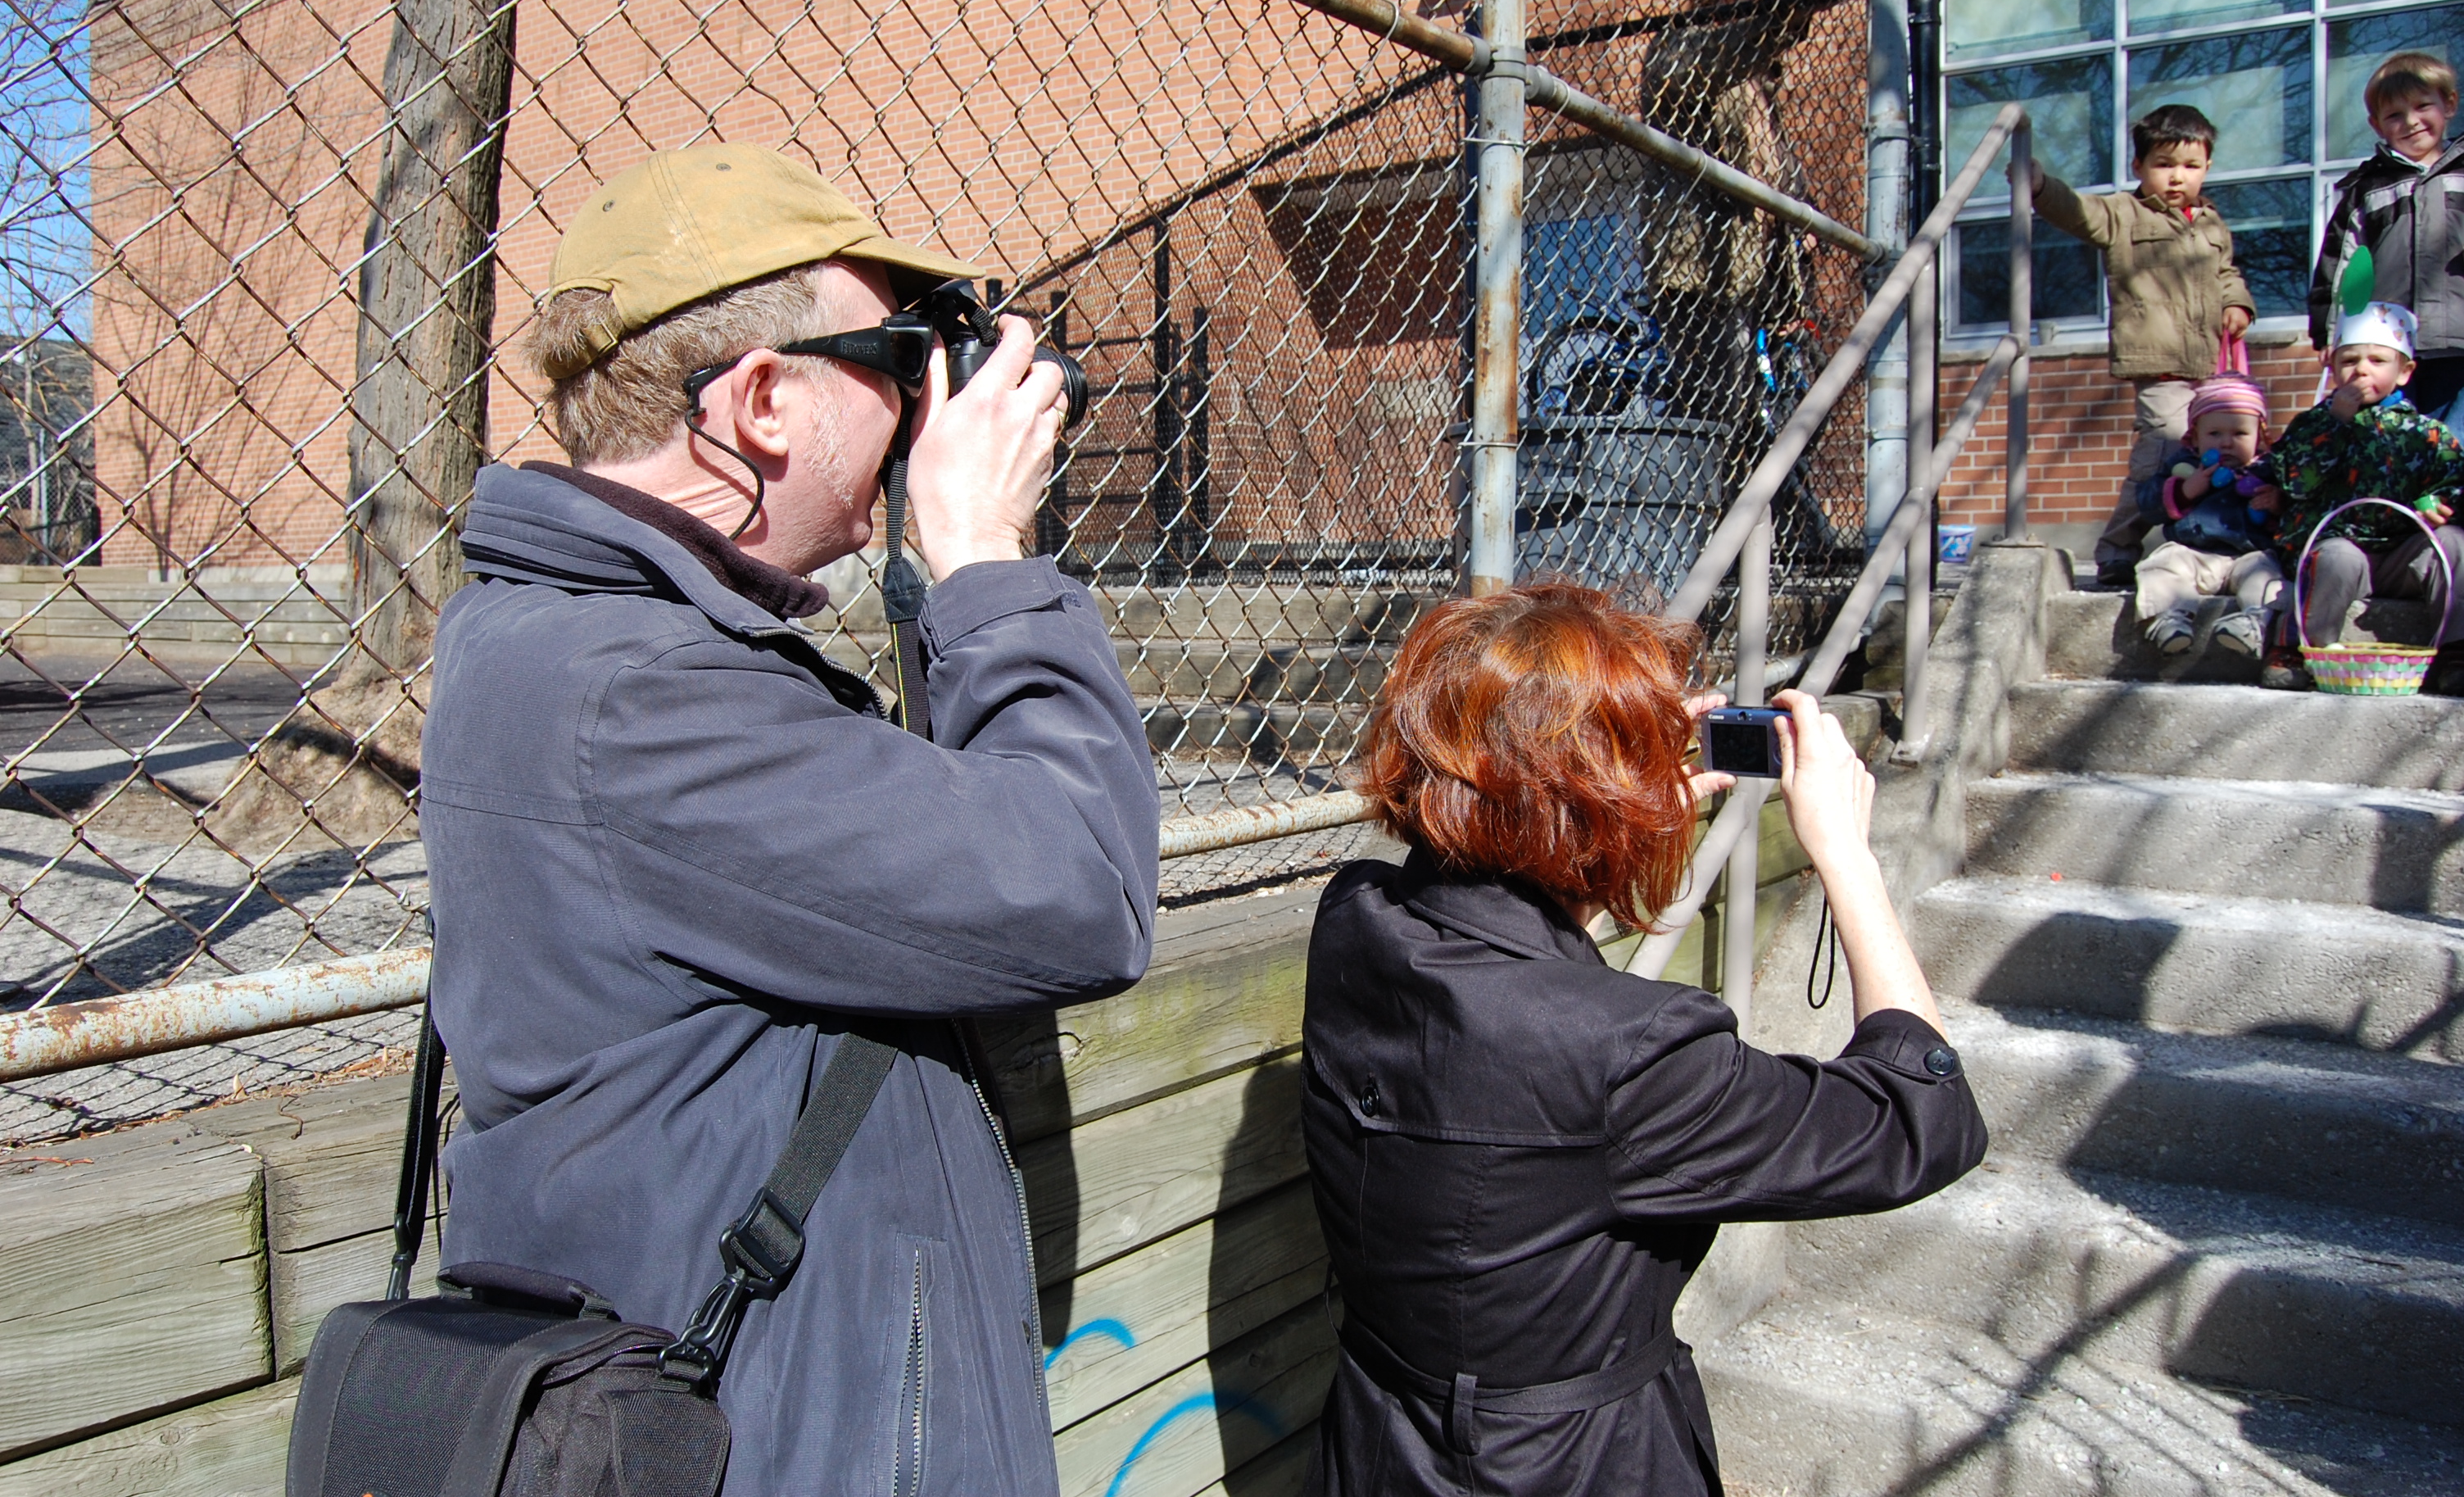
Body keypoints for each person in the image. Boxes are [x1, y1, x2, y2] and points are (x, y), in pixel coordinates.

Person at [419, 145, 1161, 1496]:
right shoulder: (641, 697)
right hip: (771, 1437)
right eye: (895, 359)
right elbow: (1079, 890)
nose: (922, 404)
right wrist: (982, 558)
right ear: (762, 400)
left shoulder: (574, 639)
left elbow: (939, 863)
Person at [1299, 583, 1987, 1497]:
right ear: (1595, 801)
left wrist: (1606, 823)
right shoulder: (1637, 1051)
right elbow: (1923, 1119)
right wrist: (1849, 857)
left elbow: (1515, 985)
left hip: (1376, 1443)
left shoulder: (1354, 919)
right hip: (1571, 1468)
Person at [2029, 103, 2256, 587]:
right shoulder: (2125, 214)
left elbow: (2227, 273)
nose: (2177, 177)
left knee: (2218, 456)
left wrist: (2238, 304)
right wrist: (2042, 187)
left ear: (2207, 167)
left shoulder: (2211, 222)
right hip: (2160, 368)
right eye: (2163, 164)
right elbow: (2079, 212)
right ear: (2139, 166)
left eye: (2190, 166)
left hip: (2209, 368)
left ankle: (2209, 542)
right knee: (2161, 458)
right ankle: (2117, 551)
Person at [1640, 0, 1840, 438]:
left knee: (1797, 402)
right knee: (1726, 416)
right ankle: (1727, 483)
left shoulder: (1759, 83)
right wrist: (1791, 12)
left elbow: (1777, 165)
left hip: (1762, 268)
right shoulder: (1681, 48)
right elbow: (1720, 55)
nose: (1761, 4)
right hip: (1702, 272)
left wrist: (1805, 216)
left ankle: (1773, 484)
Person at [2272, 301, 2464, 672]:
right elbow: (2295, 481)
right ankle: (2301, 650)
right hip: (2342, 553)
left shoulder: (2426, 433)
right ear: (2333, 367)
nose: (2361, 370)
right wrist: (2334, 425)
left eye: (2377, 361)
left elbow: (2454, 479)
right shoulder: (2312, 425)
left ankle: (2457, 649)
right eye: (2349, 360)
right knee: (2337, 557)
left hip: (2402, 558)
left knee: (2454, 542)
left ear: (2404, 372)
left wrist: (2438, 500)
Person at [2309, 52, 2463, 424]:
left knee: (2455, 444)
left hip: (2459, 341)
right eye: (2395, 115)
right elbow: (2340, 265)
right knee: (2391, 439)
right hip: (2389, 345)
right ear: (2376, 125)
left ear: (2449, 105)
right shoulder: (2368, 188)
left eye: (2422, 106)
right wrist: (2330, 332)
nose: (2411, 121)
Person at [2130, 369, 2284, 661]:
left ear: (2260, 437)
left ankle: (2253, 623)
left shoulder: (2269, 470)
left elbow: (2297, 511)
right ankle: (2170, 619)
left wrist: (2278, 504)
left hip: (2248, 557)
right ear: (2196, 438)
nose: (2226, 442)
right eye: (2215, 434)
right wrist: (2185, 491)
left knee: (2268, 574)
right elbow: (2147, 504)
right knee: (2162, 562)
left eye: (2239, 433)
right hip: (2195, 555)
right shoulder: (2184, 465)